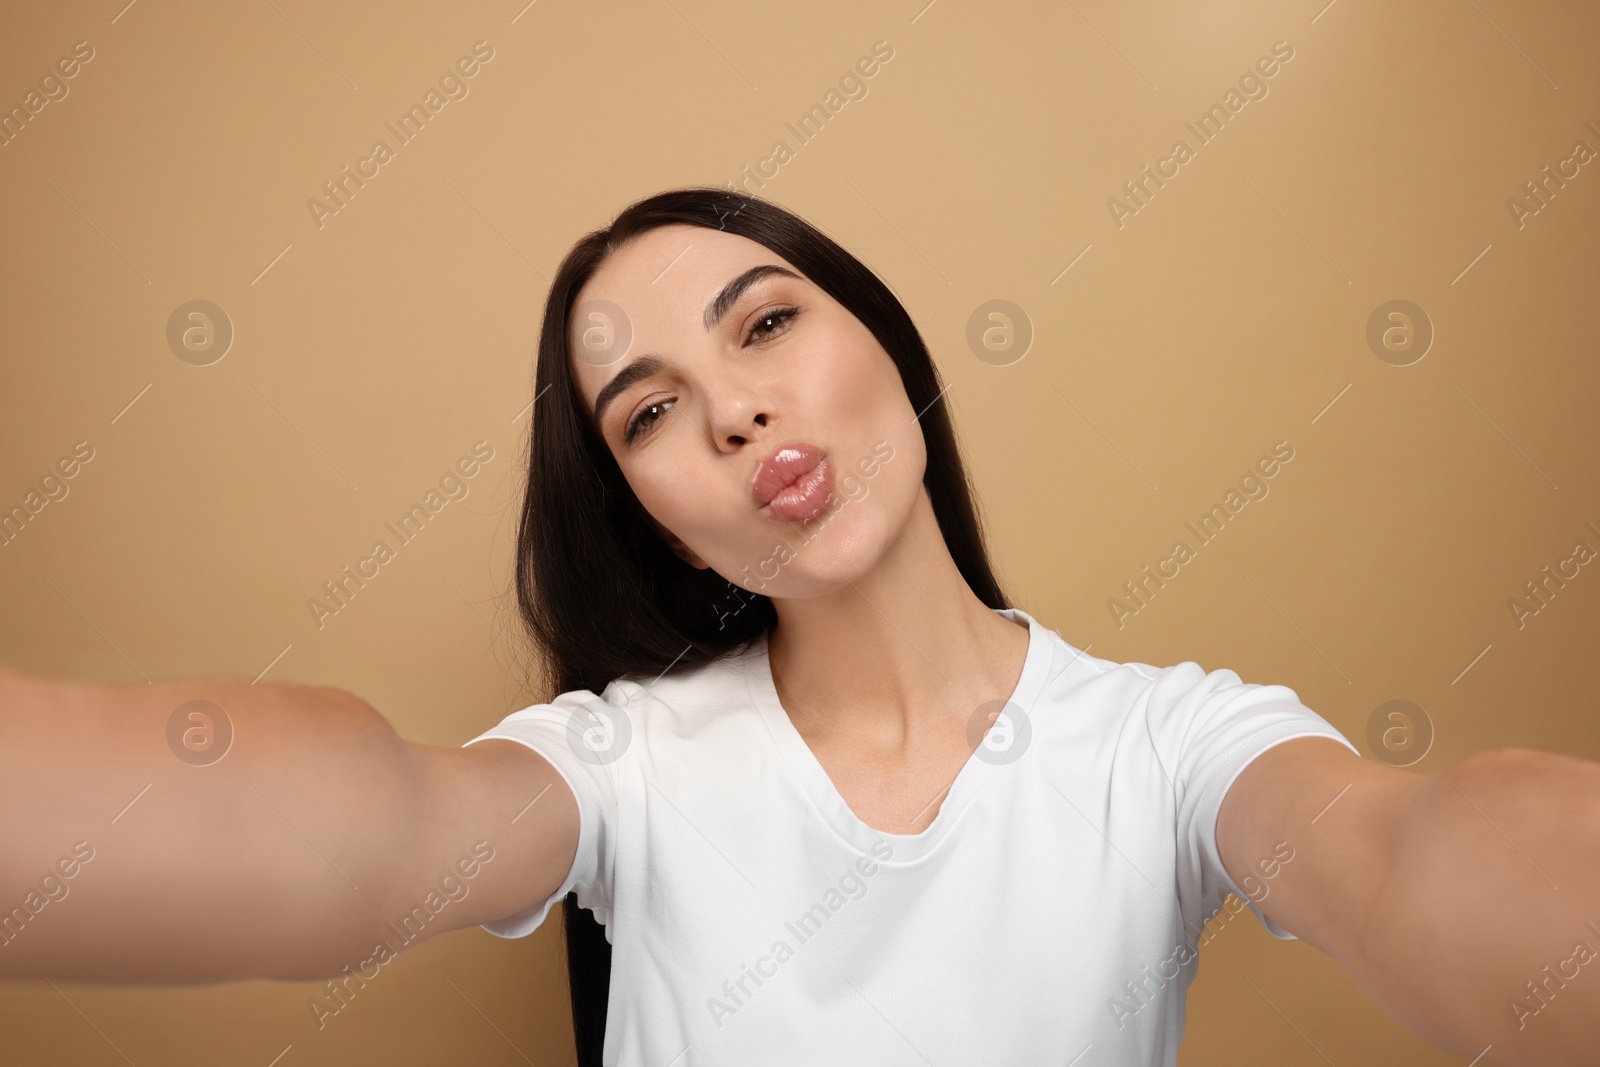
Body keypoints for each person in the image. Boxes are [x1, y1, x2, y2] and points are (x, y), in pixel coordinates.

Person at [2, 187, 1596, 1067]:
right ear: (647, 507)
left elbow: (1418, 860)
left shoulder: (1169, 746)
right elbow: (363, 827)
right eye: (648, 412)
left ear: (888, 349)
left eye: (765, 321)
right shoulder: (623, 770)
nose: (737, 406)